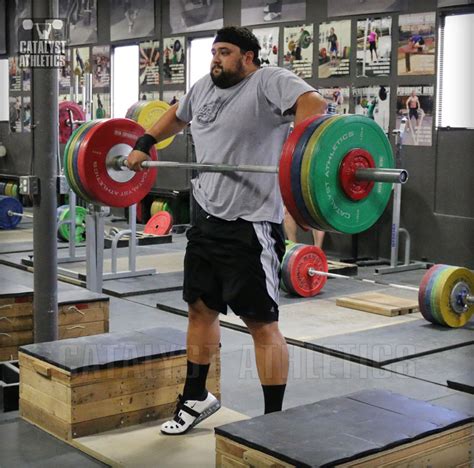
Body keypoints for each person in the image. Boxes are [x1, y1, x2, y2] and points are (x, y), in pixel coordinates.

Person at [127, 26, 326, 435]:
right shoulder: (203, 87)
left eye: (225, 52)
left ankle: (274, 420)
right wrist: (144, 143)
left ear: (248, 57)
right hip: (206, 221)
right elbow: (176, 115)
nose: (216, 58)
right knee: (200, 309)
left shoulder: (267, 81)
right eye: (214, 51)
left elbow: (313, 102)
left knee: (261, 322)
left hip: (250, 225)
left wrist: (303, 154)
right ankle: (196, 396)